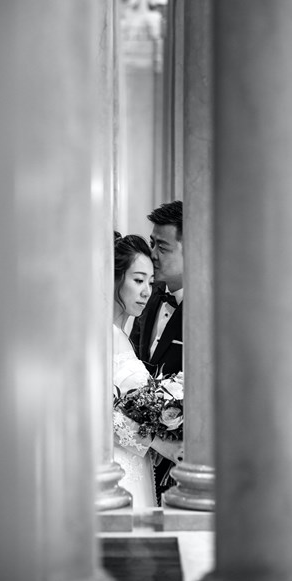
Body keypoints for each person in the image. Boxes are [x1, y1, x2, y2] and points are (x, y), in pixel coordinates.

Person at [113, 232, 183, 508]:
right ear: (114, 277)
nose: (146, 291)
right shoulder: (101, 335)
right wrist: (158, 442)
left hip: (135, 464)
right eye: (138, 280)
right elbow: (96, 411)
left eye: (151, 283)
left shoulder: (122, 335)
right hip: (116, 469)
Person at [130, 200, 184, 501]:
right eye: (152, 243)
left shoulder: (211, 314)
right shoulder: (148, 300)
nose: (152, 254)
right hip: (144, 453)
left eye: (162, 247)